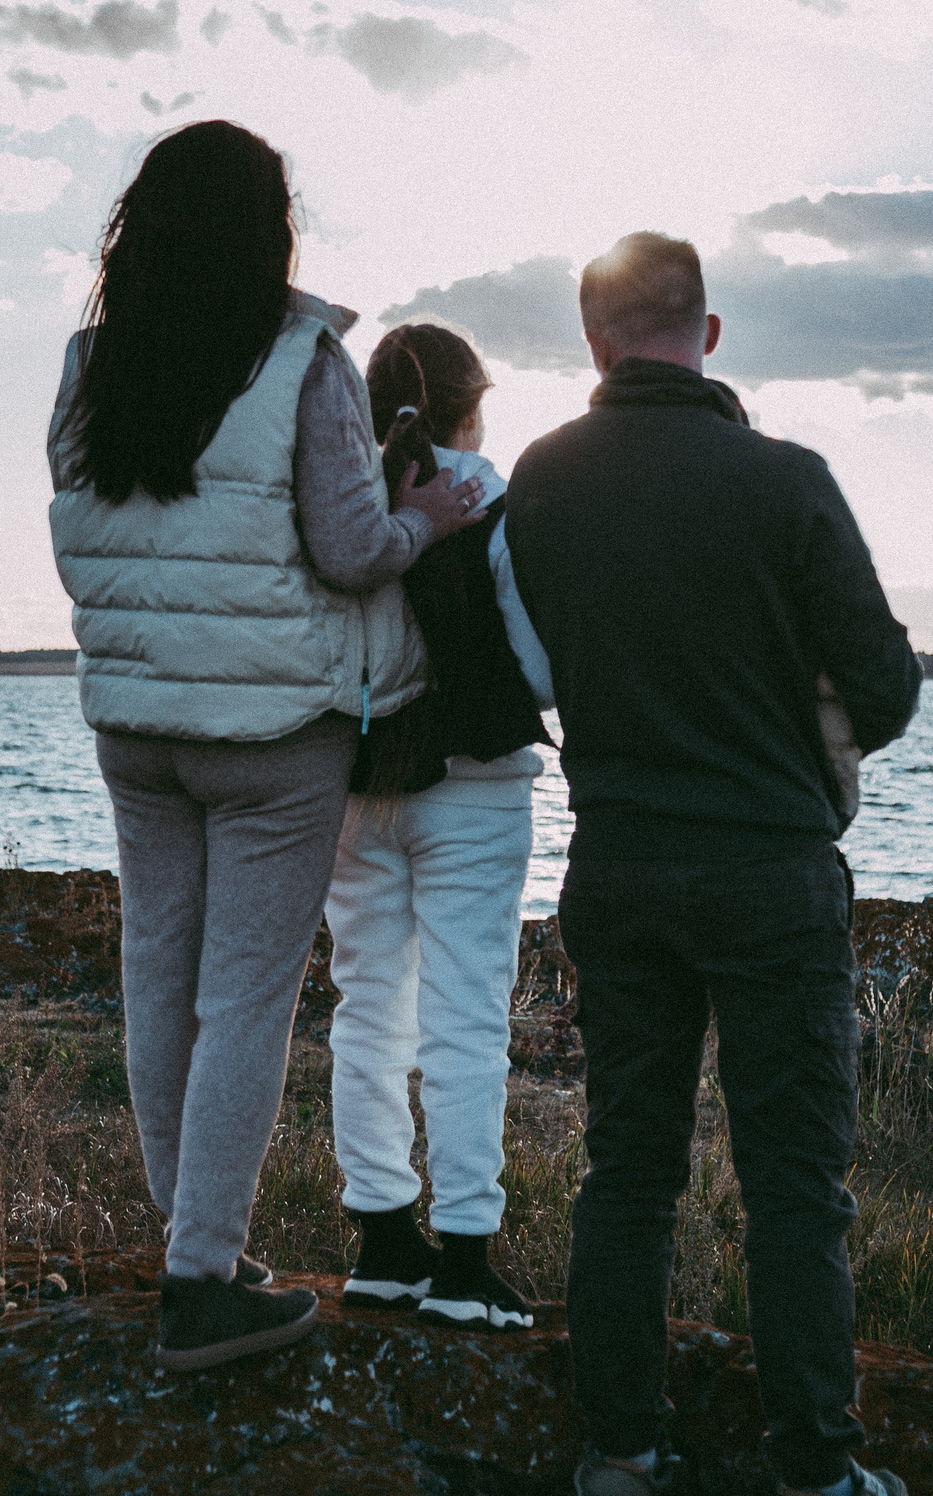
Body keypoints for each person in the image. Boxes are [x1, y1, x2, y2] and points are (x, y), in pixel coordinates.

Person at [44, 121, 485, 1372]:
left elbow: (80, 524)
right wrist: (424, 517)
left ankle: (200, 1247)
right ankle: (203, 1280)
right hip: (270, 736)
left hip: (135, 726)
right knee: (243, 998)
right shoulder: (304, 357)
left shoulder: (90, 363)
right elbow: (349, 552)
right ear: (266, 227)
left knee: (157, 979)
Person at [505, 233, 923, 1496]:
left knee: (627, 1170)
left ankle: (619, 1457)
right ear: (711, 330)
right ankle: (812, 1470)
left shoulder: (542, 479)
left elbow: (533, 659)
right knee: (795, 1184)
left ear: (592, 342)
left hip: (620, 865)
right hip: (768, 873)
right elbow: (889, 691)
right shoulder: (785, 481)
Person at [324, 322, 552, 1332]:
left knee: (367, 1004)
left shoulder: (338, 495)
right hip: (476, 782)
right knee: (466, 1017)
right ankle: (464, 1259)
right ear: (475, 401)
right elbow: (536, 667)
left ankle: (380, 1243)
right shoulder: (493, 500)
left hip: (353, 782)